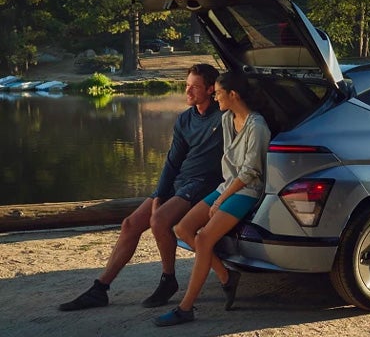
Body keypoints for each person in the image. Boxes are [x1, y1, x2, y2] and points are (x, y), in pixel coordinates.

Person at [58, 64, 224, 311]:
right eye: (187, 85)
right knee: (130, 224)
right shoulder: (185, 119)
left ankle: (168, 279)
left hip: (203, 184)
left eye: (194, 87)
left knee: (159, 221)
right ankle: (100, 289)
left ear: (211, 89)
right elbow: (172, 161)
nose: (187, 91)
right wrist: (159, 194)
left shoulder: (224, 117)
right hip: (181, 181)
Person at [153, 72, 270, 327]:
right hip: (226, 186)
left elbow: (251, 173)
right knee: (183, 228)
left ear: (233, 95)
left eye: (218, 93)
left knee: (204, 238)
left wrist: (220, 200)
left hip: (246, 190)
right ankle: (226, 276)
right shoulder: (227, 119)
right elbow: (227, 163)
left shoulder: (257, 127)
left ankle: (186, 308)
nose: (215, 98)